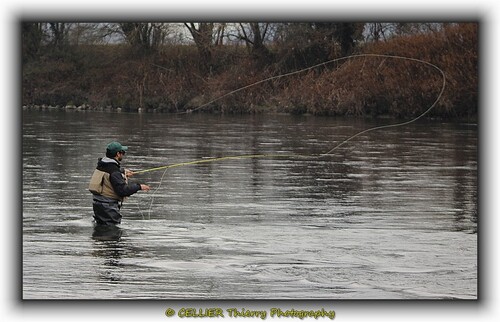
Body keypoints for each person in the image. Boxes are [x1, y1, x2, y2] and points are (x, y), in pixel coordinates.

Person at [89, 141, 150, 225]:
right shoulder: (114, 172)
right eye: (123, 153)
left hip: (97, 205)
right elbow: (122, 191)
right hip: (108, 208)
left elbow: (109, 172)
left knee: (101, 233)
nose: (123, 155)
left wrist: (123, 171)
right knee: (112, 235)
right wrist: (139, 186)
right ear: (118, 154)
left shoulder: (101, 165)